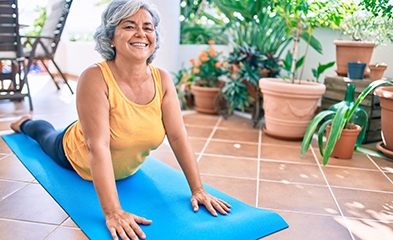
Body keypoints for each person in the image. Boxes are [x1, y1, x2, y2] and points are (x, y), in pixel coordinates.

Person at [10, 0, 231, 239]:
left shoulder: (163, 80)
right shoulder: (94, 77)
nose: (141, 34)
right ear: (111, 37)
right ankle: (25, 123)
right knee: (45, 135)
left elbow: (178, 136)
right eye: (129, 26)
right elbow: (98, 146)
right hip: (75, 153)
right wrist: (113, 212)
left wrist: (198, 189)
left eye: (148, 27)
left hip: (117, 159)